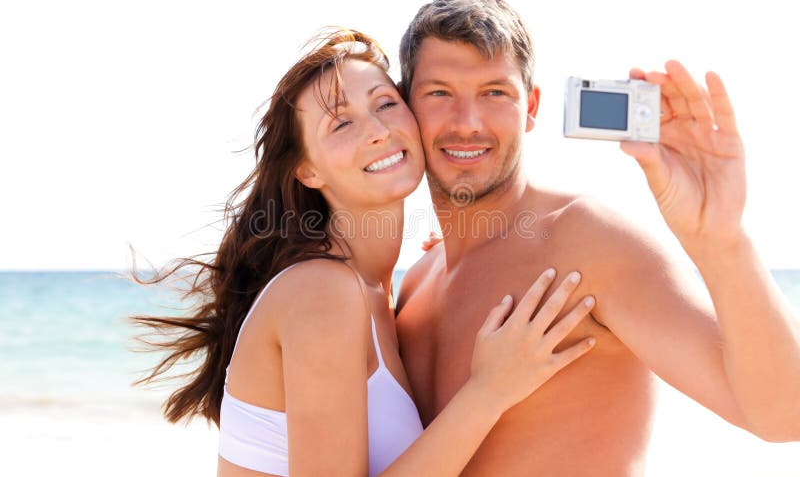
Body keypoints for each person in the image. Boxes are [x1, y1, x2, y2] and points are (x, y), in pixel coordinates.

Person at [133, 29, 599, 476]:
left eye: (385, 104)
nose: (377, 131)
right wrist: (488, 392)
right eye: (341, 123)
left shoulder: (380, 293)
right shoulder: (322, 290)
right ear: (307, 170)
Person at [395, 0, 800, 476]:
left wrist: (724, 243)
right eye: (439, 92)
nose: (468, 122)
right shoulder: (415, 286)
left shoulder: (586, 241)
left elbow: (783, 416)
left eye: (495, 92)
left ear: (531, 107)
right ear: (404, 108)